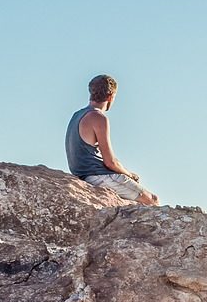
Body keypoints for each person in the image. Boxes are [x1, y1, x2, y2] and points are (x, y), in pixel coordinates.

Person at [67, 74, 158, 205]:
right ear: (110, 96)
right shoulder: (98, 117)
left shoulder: (77, 115)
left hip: (81, 174)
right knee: (152, 200)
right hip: (98, 175)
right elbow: (110, 162)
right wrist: (130, 175)